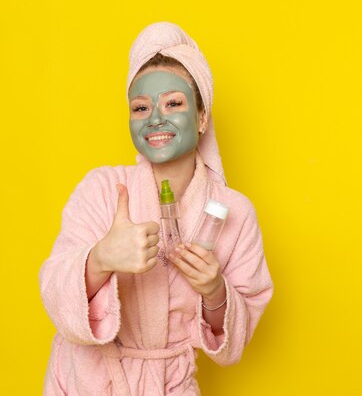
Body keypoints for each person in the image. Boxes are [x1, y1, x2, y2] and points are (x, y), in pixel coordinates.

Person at [39, 22, 273, 396]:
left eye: (174, 103)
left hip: (170, 385)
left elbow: (235, 341)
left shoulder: (234, 212)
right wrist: (100, 259)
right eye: (140, 107)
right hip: (90, 382)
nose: (155, 118)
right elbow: (53, 292)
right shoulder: (103, 189)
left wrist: (215, 292)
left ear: (201, 117)